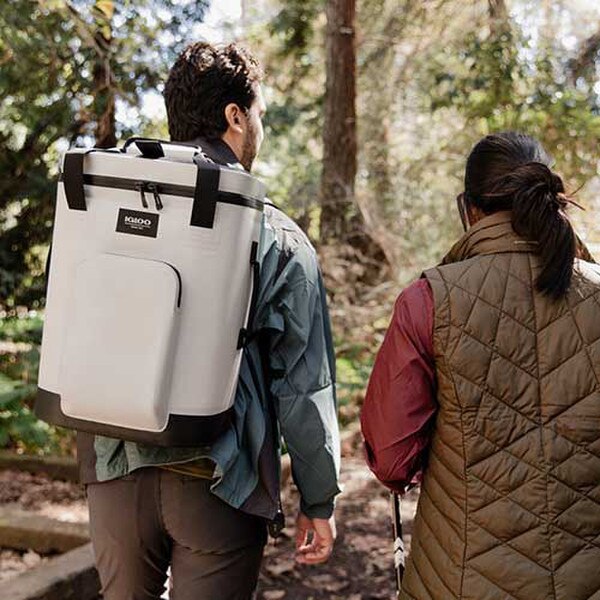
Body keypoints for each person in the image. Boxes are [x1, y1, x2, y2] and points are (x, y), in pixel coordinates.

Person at [79, 42, 341, 600]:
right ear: (235, 115)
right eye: (261, 114)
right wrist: (318, 500)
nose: (261, 128)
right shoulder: (275, 235)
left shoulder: (109, 207)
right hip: (218, 480)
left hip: (111, 466)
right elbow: (303, 387)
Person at [361, 131, 600, 600]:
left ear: (468, 209)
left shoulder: (427, 300)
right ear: (556, 202)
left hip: (458, 577)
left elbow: (391, 459)